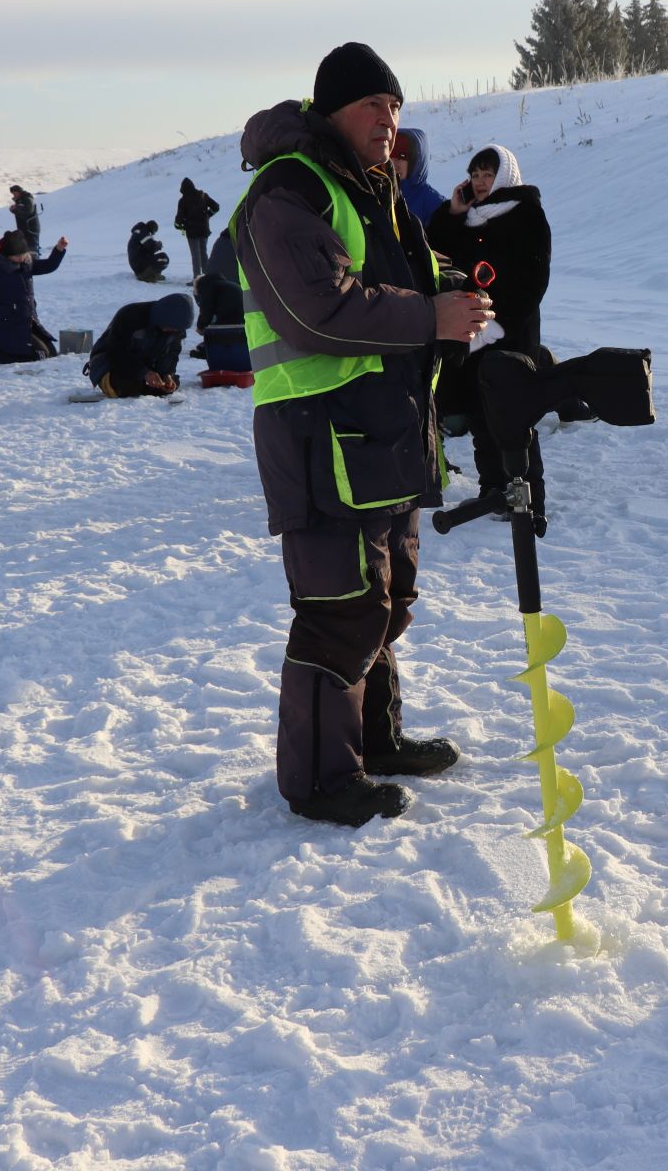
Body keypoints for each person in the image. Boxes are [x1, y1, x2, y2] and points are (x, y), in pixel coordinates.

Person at [235, 41, 495, 827]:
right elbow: (316, 307)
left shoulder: (373, 187)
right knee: (340, 608)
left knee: (388, 602)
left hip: (383, 431)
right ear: (331, 111)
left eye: (395, 109)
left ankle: (373, 742)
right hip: (319, 435)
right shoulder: (289, 190)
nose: (389, 123)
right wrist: (429, 315)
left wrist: (455, 290)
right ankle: (319, 780)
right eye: (373, 107)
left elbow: (402, 278)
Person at [426, 143, 553, 520]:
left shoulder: (527, 213)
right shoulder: (469, 216)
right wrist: (452, 211)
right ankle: (492, 492)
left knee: (514, 418)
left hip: (510, 334)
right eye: (476, 175)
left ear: (505, 176)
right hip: (470, 334)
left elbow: (534, 280)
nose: (481, 183)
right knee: (480, 416)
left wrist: (498, 324)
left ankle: (530, 499)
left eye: (488, 175)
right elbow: (435, 249)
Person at [0, 230, 67, 363]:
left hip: (28, 322)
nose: (22, 258)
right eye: (17, 255)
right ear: (6, 255)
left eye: (23, 254)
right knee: (38, 355)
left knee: (50, 353)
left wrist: (59, 249)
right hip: (8, 325)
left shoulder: (26, 264)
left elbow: (49, 266)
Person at [84, 292, 191, 396]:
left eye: (175, 329)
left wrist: (167, 374)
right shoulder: (130, 315)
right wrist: (144, 373)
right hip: (110, 365)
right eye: (170, 327)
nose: (171, 330)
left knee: (169, 385)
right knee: (125, 386)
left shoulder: (176, 328)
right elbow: (116, 352)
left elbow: (172, 353)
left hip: (147, 368)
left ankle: (146, 386)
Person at [191, 227, 249, 372]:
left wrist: (201, 326)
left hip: (233, 311)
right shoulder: (243, 240)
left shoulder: (209, 286)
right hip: (242, 303)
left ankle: (212, 348)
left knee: (221, 329)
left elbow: (207, 309)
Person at [393, 127, 444, 226]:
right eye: (390, 155)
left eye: (401, 156)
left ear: (416, 161)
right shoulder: (377, 194)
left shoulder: (433, 203)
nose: (394, 164)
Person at [174, 177, 221, 279]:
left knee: (195, 256)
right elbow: (216, 206)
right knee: (203, 253)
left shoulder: (183, 200)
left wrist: (178, 225)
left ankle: (197, 278)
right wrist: (208, 215)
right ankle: (207, 277)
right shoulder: (203, 196)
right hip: (204, 230)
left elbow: (179, 219)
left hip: (191, 232)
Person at [8, 185, 42, 256]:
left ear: (18, 192)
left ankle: (34, 263)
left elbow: (28, 211)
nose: (14, 195)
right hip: (25, 230)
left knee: (32, 250)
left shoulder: (27, 199)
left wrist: (15, 209)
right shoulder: (21, 200)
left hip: (30, 229)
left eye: (14, 193)